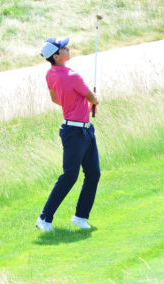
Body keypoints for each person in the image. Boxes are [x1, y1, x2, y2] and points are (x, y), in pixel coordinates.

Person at [36, 37, 101, 231]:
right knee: (70, 176)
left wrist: (75, 104)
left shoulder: (50, 74)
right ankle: (44, 218)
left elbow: (56, 99)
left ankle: (80, 217)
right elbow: (93, 97)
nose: (68, 49)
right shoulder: (73, 76)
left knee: (93, 173)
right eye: (64, 48)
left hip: (83, 129)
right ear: (56, 56)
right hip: (75, 132)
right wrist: (92, 102)